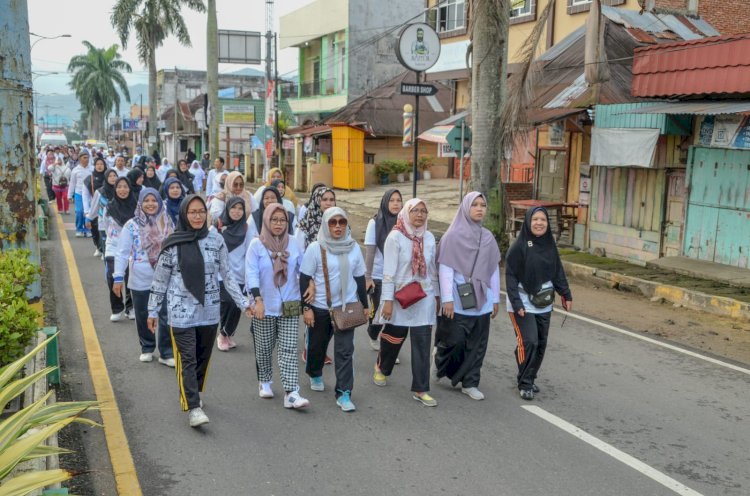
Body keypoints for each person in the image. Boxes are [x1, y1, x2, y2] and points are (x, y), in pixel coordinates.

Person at [147, 195, 252, 428]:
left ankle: (194, 392)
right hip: (180, 313)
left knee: (202, 359)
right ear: (184, 214)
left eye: (201, 212)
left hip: (209, 311)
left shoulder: (216, 239)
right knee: (187, 359)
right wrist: (152, 310)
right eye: (192, 212)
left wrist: (244, 303)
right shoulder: (173, 243)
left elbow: (228, 275)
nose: (197, 216)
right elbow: (160, 281)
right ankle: (193, 407)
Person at [299, 207, 368, 412]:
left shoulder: (353, 247)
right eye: (333, 222)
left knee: (345, 351)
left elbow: (359, 278)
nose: (337, 226)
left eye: (342, 222)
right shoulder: (316, 248)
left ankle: (344, 393)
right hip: (320, 307)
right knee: (317, 346)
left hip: (346, 308)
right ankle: (314, 372)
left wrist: (365, 305)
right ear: (326, 225)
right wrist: (307, 308)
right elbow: (304, 277)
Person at [435, 192, 502, 401]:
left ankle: (470, 381)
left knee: (478, 344)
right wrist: (447, 299)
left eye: (483, 205)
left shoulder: (488, 237)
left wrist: (496, 298)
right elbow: (445, 270)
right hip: (458, 299)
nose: (480, 209)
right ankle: (441, 359)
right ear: (465, 208)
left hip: (482, 300)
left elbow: (493, 269)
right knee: (455, 341)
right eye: (475, 205)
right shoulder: (451, 237)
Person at [372, 198, 439, 407]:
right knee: (393, 338)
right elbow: (388, 273)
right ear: (406, 213)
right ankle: (382, 368)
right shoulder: (395, 237)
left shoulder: (428, 237)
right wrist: (387, 302)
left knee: (422, 343)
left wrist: (436, 295)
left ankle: (421, 388)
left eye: (423, 211)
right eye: (415, 210)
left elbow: (433, 269)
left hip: (423, 297)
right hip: (401, 297)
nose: (419, 215)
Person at [246, 203, 310, 409]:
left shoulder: (293, 242)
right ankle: (264, 381)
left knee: (289, 348)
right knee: (264, 347)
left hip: (290, 303)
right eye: (274, 220)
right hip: (264, 304)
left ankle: (291, 392)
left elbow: (303, 268)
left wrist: (311, 284)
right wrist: (257, 300)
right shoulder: (256, 245)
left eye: (282, 220)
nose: (278, 224)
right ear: (266, 220)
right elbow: (251, 274)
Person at [505, 206, 572, 401]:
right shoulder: (518, 247)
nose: (539, 223)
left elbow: (557, 271)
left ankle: (531, 376)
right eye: (535, 219)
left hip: (543, 302)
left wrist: (566, 295)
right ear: (528, 221)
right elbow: (510, 277)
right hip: (523, 301)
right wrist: (517, 304)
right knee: (530, 341)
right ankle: (524, 383)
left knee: (540, 344)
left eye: (543, 219)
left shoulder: (550, 245)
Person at [113, 188, 175, 366]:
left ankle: (166, 352)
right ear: (140, 202)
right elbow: (122, 253)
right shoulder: (131, 225)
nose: (150, 204)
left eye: (153, 200)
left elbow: (175, 249)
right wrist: (118, 277)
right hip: (140, 278)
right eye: (146, 200)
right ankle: (147, 348)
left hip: (164, 277)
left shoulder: (167, 222)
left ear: (159, 202)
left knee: (165, 314)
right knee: (142, 314)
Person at [213, 197, 253, 351]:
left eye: (240, 208)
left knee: (238, 306)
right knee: (228, 302)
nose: (236, 212)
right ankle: (222, 334)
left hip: (240, 273)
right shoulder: (218, 227)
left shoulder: (246, 228)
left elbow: (249, 251)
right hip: (221, 275)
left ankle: (228, 334)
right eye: (233, 208)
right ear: (227, 209)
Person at [364, 189, 402, 351]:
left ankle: (388, 348)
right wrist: (367, 277)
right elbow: (370, 252)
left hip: (399, 276)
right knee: (379, 311)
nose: (395, 204)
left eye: (398, 200)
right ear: (385, 202)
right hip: (379, 275)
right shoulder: (375, 222)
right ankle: (373, 333)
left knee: (394, 313)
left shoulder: (404, 222)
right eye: (391, 200)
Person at [103, 177, 137, 321]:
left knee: (131, 277)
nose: (122, 190)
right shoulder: (109, 207)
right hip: (113, 246)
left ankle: (130, 307)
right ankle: (117, 308)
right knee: (112, 276)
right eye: (119, 187)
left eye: (125, 187)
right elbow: (106, 226)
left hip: (132, 248)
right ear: (115, 189)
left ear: (130, 188)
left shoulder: (137, 207)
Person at [87, 169, 118, 259]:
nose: (113, 178)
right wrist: (89, 218)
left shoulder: (120, 190)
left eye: (114, 176)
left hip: (117, 223)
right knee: (105, 243)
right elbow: (94, 207)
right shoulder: (100, 192)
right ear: (106, 178)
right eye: (110, 176)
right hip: (103, 223)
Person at [85, 158, 108, 257]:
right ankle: (98, 247)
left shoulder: (109, 176)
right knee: (94, 229)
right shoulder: (89, 178)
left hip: (105, 208)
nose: (99, 166)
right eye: (97, 164)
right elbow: (85, 195)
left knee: (104, 230)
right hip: (93, 206)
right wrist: (87, 211)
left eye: (101, 164)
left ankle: (104, 250)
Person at [68, 151, 93, 238]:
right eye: (84, 158)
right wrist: (70, 196)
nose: (86, 159)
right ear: (80, 159)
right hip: (79, 193)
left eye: (87, 157)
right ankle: (79, 229)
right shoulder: (75, 170)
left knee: (88, 212)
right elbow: (72, 183)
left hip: (90, 195)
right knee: (79, 212)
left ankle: (88, 229)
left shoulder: (92, 169)